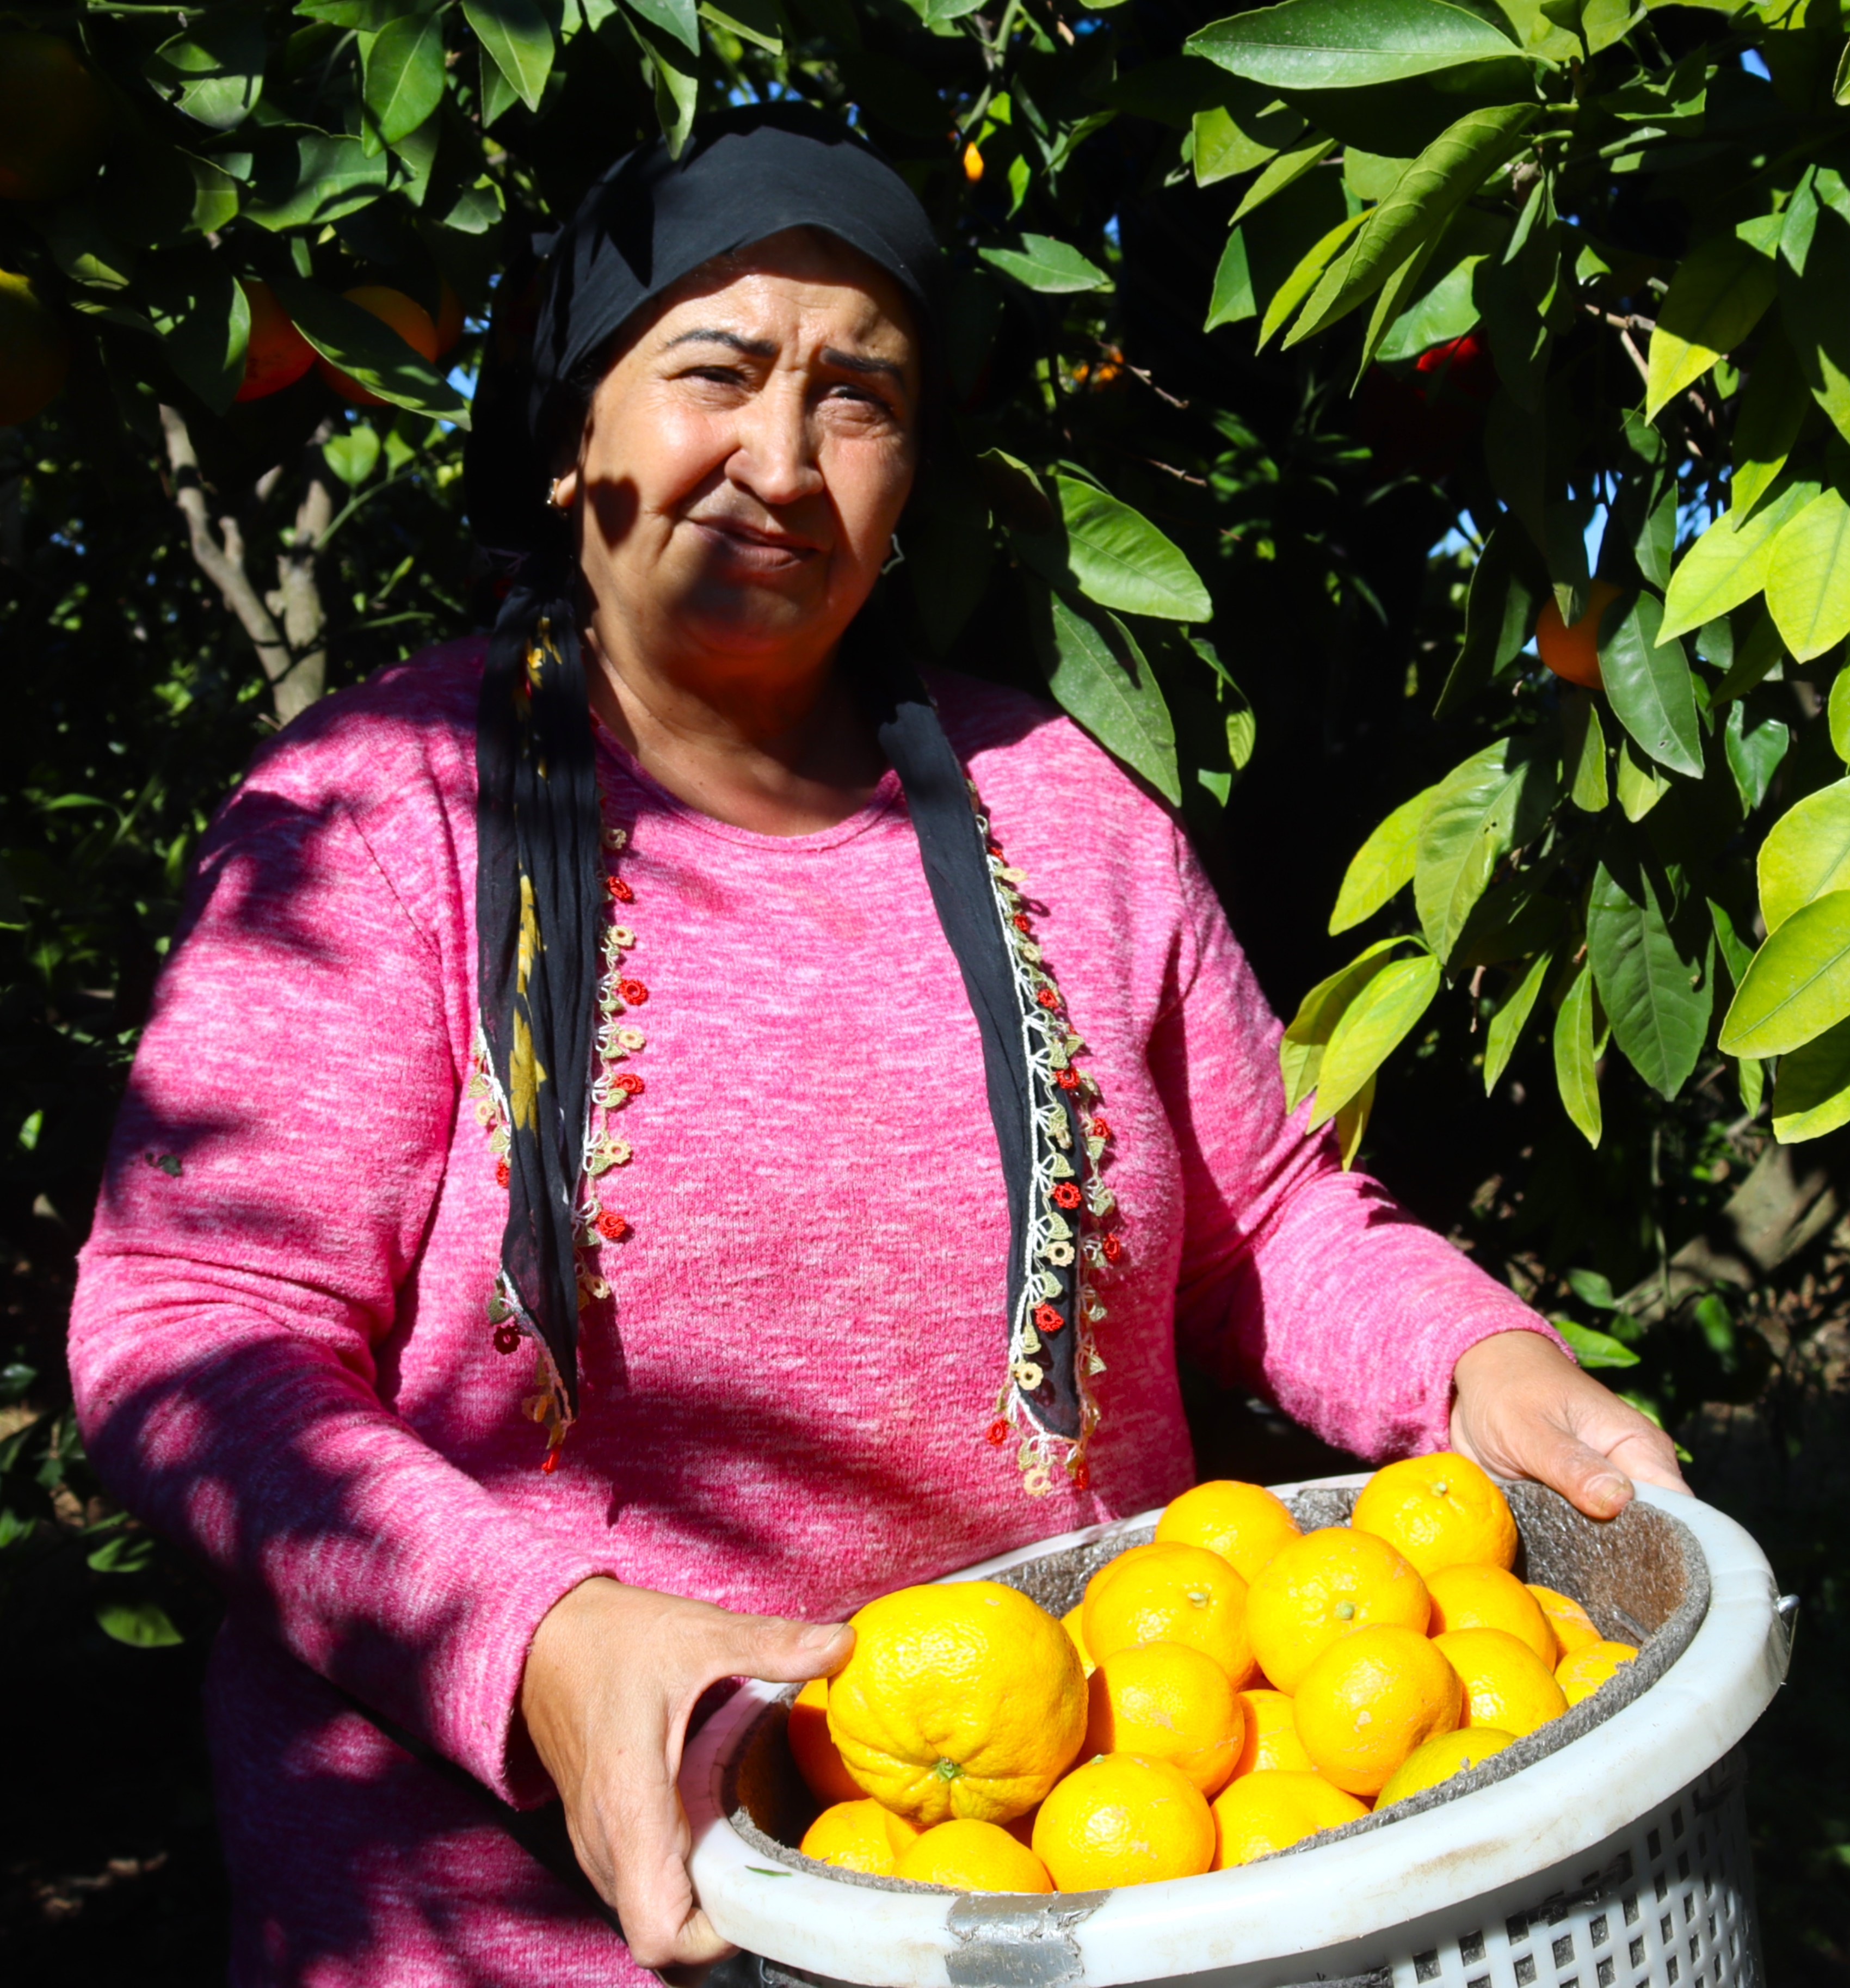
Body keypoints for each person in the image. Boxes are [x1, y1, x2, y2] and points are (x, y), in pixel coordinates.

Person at [68, 108, 1686, 1987]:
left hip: (1079, 1871)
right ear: (574, 425)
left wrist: (1474, 1360)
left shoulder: (1066, 813)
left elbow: (1278, 1209)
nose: (776, 457)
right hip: (522, 1933)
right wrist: (546, 1640)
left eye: (858, 397)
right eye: (714, 372)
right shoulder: (377, 822)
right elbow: (187, 1330)